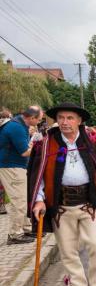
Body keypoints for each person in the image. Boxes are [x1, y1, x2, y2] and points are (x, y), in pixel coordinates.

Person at [28, 102, 96, 286]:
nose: (65, 122)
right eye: (61, 118)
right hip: (61, 207)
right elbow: (38, 175)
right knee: (68, 249)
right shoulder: (47, 144)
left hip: (90, 205)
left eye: (70, 118)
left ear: (79, 121)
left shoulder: (94, 141)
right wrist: (38, 199)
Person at [0, 105, 43, 244]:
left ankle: (25, 228)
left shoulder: (19, 124)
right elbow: (24, 152)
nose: (39, 123)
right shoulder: (16, 127)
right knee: (19, 200)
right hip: (11, 167)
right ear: (31, 118)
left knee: (23, 198)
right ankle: (15, 234)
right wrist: (40, 148)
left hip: (15, 166)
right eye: (39, 120)